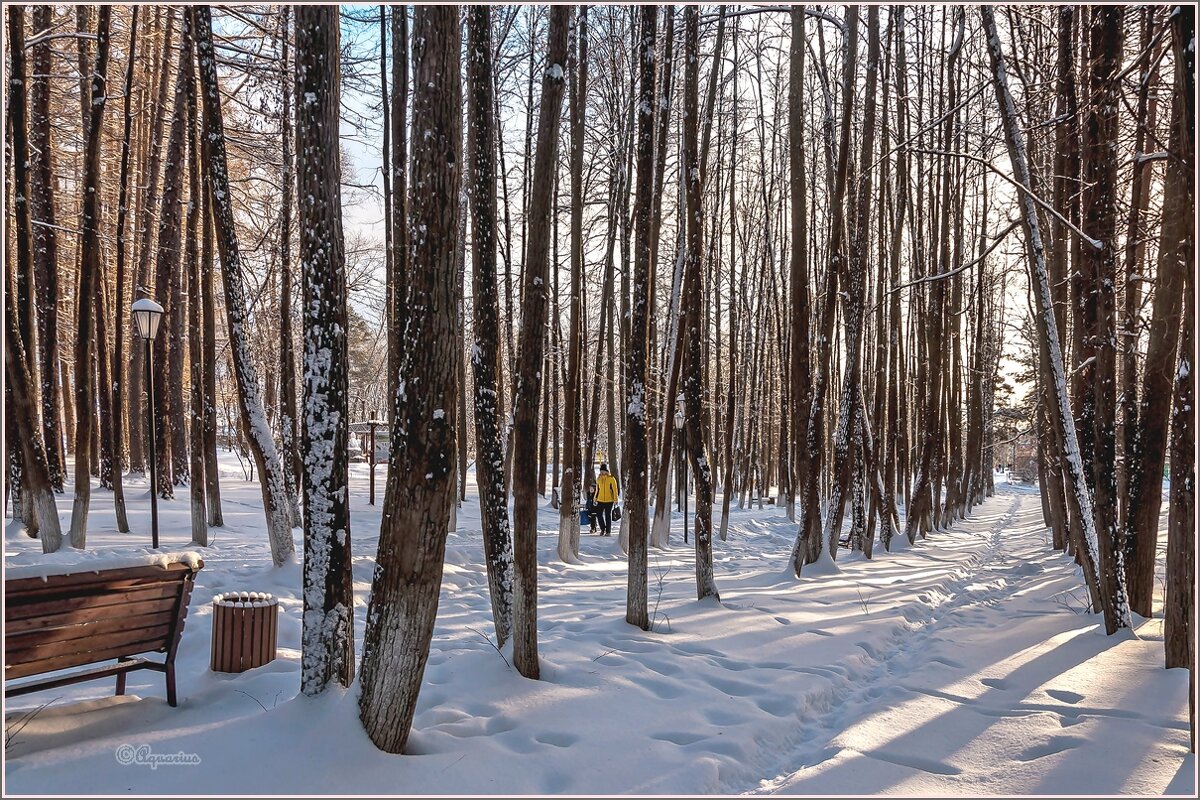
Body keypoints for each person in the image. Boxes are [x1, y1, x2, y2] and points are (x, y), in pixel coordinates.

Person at [593, 463, 619, 536]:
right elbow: (597, 490)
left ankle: (608, 531)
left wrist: (615, 499)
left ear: (606, 471)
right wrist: (595, 498)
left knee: (608, 515)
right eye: (601, 471)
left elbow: (615, 490)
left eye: (603, 471)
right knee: (599, 514)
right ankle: (602, 529)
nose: (602, 472)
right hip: (600, 500)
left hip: (609, 500)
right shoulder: (598, 479)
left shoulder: (611, 479)